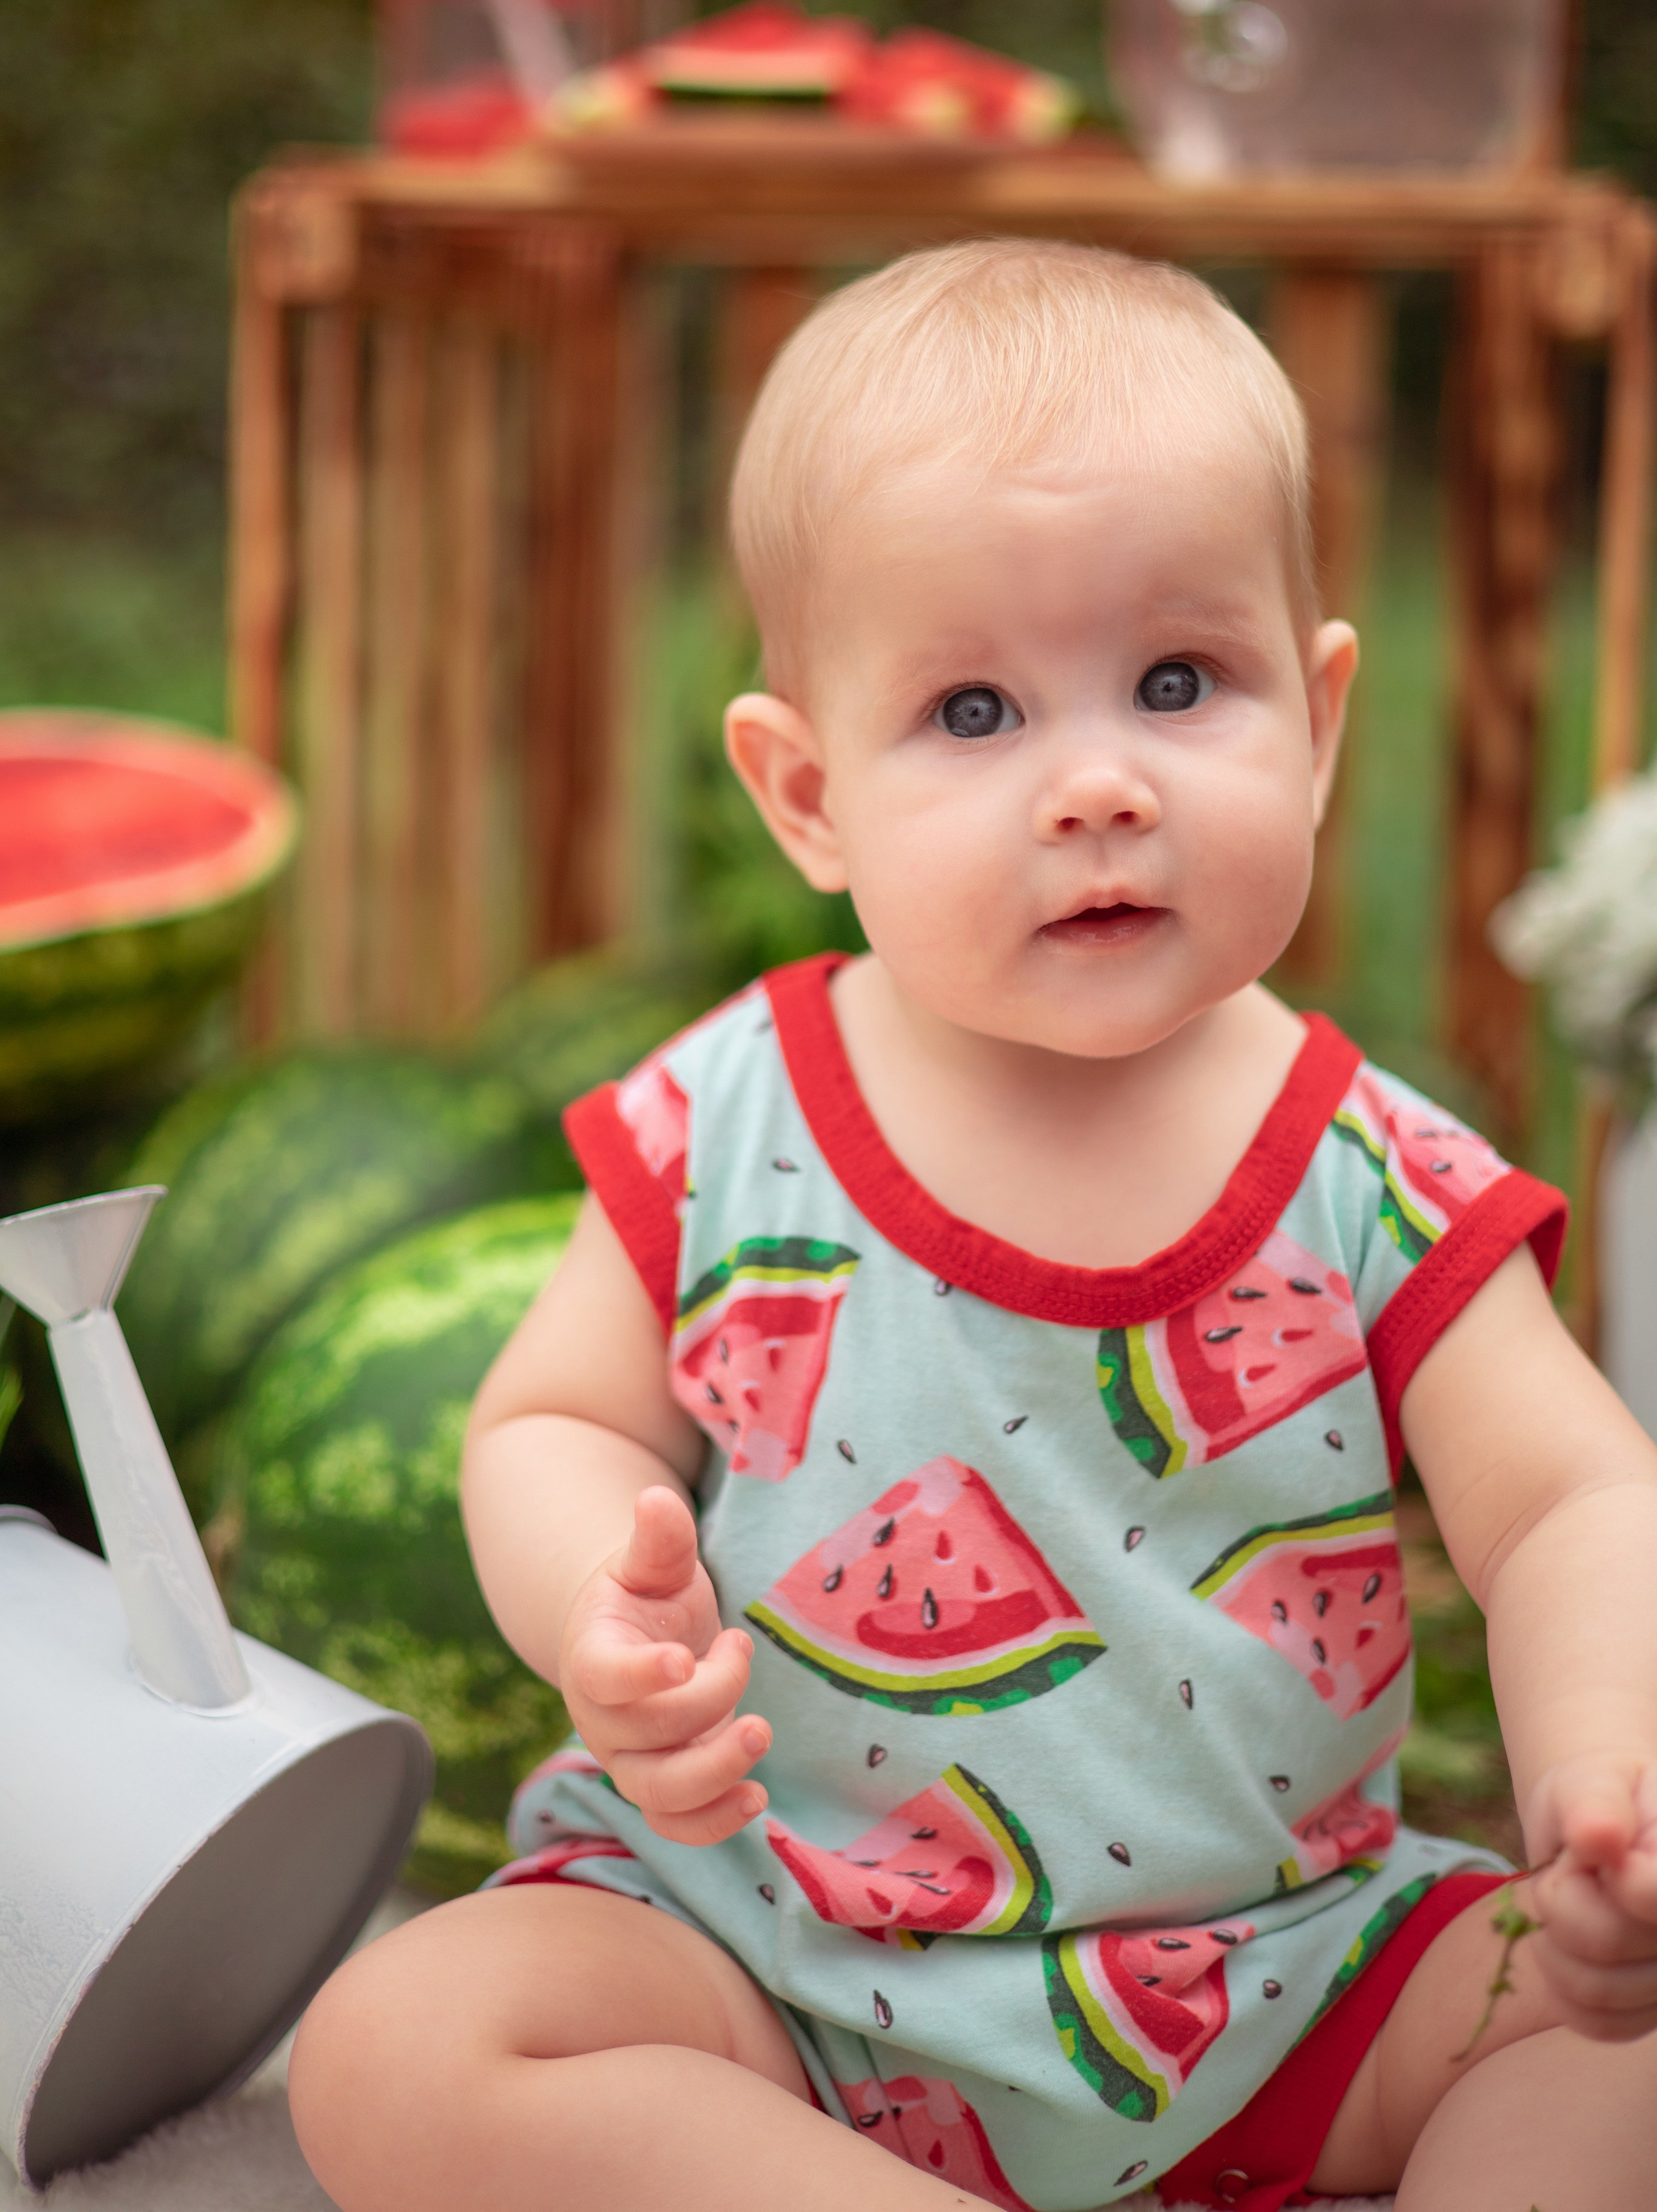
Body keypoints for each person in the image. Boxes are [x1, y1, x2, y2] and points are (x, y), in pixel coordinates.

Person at [289, 242, 1657, 2212]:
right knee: (401, 2043)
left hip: (1298, 1975)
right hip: (766, 1946)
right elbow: (552, 1420)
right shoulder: (723, 1114)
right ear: (808, 795)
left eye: (1178, 684)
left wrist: (1601, 1780)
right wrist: (601, 1604)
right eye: (974, 709)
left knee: (1608, 2039)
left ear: (1319, 715)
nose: (1096, 784)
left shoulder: (1374, 1171)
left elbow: (1568, 1505)